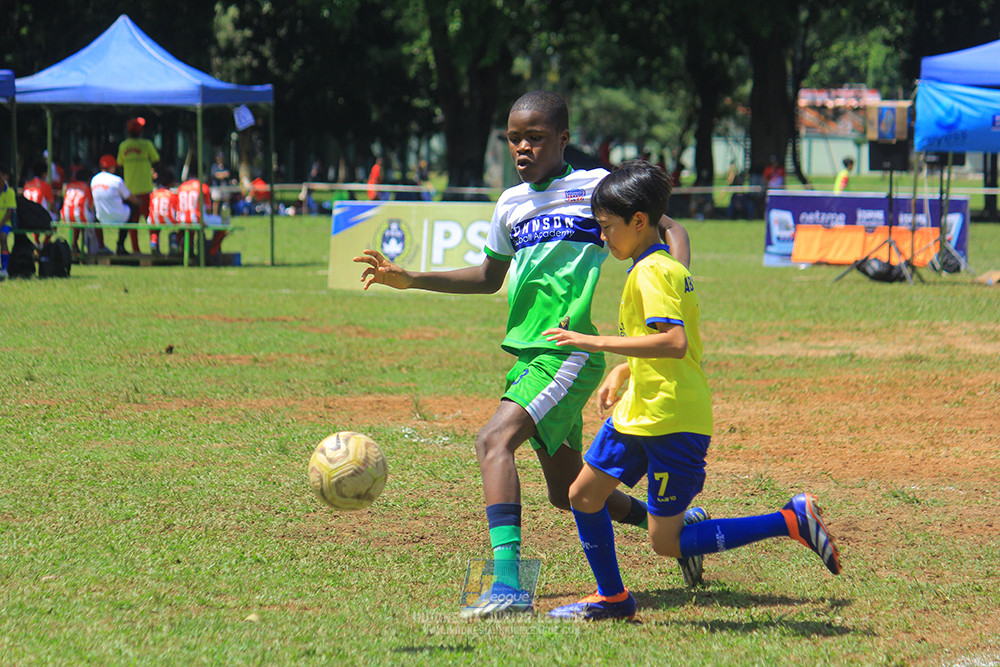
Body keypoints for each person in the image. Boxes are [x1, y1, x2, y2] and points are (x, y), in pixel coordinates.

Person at [354, 90, 691, 618]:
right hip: (527, 356)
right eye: (514, 139)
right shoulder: (510, 203)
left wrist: (673, 281)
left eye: (535, 137)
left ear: (563, 139)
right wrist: (411, 278)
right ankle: (680, 527)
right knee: (568, 490)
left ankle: (508, 587)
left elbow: (670, 227)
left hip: (567, 350)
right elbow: (489, 277)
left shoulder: (594, 187)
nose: (523, 148)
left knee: (493, 440)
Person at [543, 161, 841, 621]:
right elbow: (659, 343)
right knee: (582, 494)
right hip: (641, 411)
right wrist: (623, 371)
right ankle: (613, 599)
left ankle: (790, 520)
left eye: (607, 227)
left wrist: (593, 342)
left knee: (666, 542)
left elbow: (675, 342)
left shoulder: (652, 272)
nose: (603, 237)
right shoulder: (657, 265)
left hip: (672, 420)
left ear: (638, 221)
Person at [117, 116, 160, 253]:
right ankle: (153, 242)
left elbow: (119, 163)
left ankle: (135, 249)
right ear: (140, 131)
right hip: (146, 189)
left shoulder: (123, 146)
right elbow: (156, 160)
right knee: (151, 219)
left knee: (132, 222)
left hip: (130, 192)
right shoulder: (147, 144)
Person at [91, 154, 137, 254]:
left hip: (101, 217)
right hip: (120, 217)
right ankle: (120, 245)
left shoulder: (94, 180)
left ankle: (101, 246)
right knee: (133, 209)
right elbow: (130, 198)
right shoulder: (117, 180)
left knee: (95, 219)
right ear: (112, 167)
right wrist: (139, 201)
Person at [177, 177, 227, 262]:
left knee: (189, 229)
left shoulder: (181, 187)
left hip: (181, 219)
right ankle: (212, 251)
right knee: (224, 224)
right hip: (196, 218)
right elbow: (208, 210)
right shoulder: (203, 186)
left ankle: (187, 250)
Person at [61, 168, 111, 254]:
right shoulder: (87, 188)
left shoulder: (69, 186)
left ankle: (74, 245)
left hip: (65, 217)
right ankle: (101, 246)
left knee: (77, 219)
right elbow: (91, 207)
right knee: (96, 219)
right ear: (89, 179)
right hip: (80, 216)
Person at [22, 160, 56, 246]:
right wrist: (56, 213)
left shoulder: (27, 185)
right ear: (44, 174)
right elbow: (52, 204)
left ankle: (36, 241)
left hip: (25, 219)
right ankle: (44, 244)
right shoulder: (45, 185)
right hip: (39, 219)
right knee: (54, 220)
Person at [148, 169, 179, 255]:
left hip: (154, 219)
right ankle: (174, 241)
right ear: (171, 183)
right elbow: (176, 209)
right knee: (178, 224)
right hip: (169, 220)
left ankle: (153, 241)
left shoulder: (153, 194)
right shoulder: (172, 195)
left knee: (154, 226)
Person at [0, 163, 15, 279]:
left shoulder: (10, 192)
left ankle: (4, 268)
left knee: (3, 238)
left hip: (5, 223)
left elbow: (9, 212)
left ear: (5, 176)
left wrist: (1, 224)